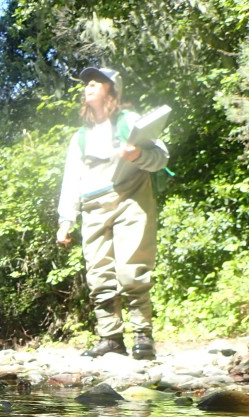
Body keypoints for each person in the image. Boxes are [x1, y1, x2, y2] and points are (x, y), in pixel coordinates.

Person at [56, 66, 169, 360]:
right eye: (87, 83)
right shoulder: (79, 138)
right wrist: (65, 220)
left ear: (112, 91)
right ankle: (111, 338)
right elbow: (71, 179)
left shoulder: (132, 123)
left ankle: (143, 336)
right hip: (92, 208)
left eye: (97, 82)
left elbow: (161, 158)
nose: (89, 86)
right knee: (98, 276)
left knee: (132, 271)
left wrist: (138, 155)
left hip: (131, 199)